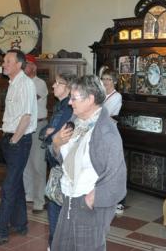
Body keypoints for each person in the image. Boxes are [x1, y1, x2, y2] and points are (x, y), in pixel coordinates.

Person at [51, 75, 126, 250]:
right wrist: (56, 144)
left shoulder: (106, 130)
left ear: (90, 99)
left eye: (74, 98)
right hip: (69, 199)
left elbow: (117, 174)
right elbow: (64, 159)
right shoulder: (78, 122)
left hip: (88, 204)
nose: (70, 102)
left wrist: (92, 199)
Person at [0, 49, 37, 248]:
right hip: (11, 140)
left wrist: (14, 140)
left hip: (18, 141)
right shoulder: (13, 83)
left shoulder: (26, 84)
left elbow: (26, 116)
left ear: (19, 64)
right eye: (4, 61)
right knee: (16, 183)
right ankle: (20, 224)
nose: (3, 64)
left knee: (8, 188)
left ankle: (0, 231)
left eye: (7, 61)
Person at [40, 72, 76, 248]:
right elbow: (45, 131)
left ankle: (55, 246)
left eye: (58, 83)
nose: (53, 86)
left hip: (62, 166)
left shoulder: (68, 109)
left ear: (68, 88)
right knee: (55, 207)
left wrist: (50, 135)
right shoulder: (59, 106)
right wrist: (49, 134)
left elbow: (57, 135)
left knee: (57, 210)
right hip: (55, 165)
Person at [23, 54, 48, 214]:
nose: (24, 67)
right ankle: (29, 195)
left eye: (26, 65)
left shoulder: (40, 83)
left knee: (38, 164)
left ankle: (40, 200)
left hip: (38, 126)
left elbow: (28, 100)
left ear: (33, 67)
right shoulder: (22, 82)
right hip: (25, 126)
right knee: (26, 164)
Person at [100, 68, 124, 215]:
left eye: (109, 79)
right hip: (100, 134)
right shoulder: (101, 95)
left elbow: (106, 115)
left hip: (110, 135)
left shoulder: (117, 97)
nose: (106, 82)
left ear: (114, 81)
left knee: (113, 168)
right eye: (104, 79)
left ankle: (118, 201)